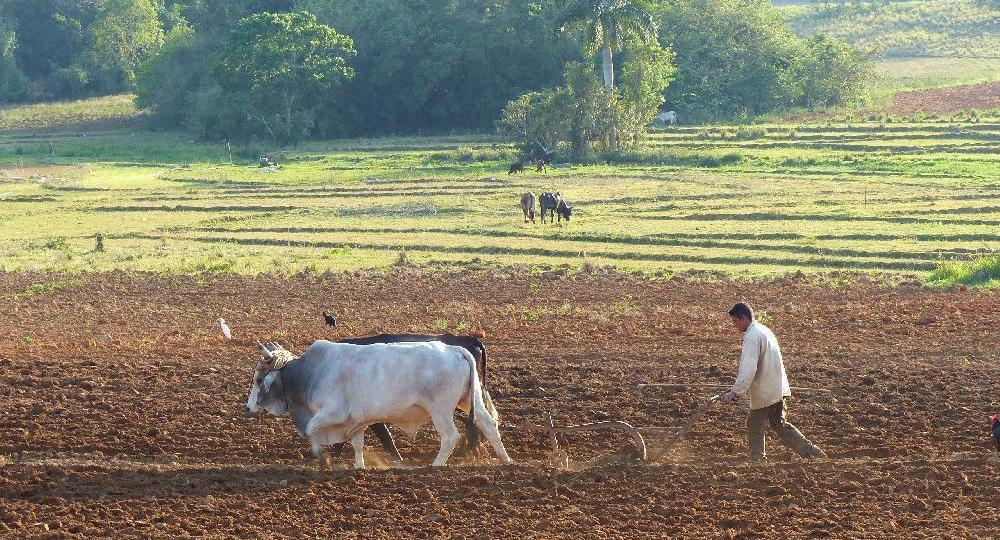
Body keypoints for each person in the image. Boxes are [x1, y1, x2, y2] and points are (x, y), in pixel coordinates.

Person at [720, 302, 827, 463]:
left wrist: (735, 392)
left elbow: (748, 369)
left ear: (743, 319)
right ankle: (812, 453)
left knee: (754, 424)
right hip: (777, 387)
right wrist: (737, 390)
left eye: (735, 321)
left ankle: (758, 461)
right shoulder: (764, 330)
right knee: (780, 425)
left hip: (766, 390)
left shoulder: (751, 336)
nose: (734, 326)